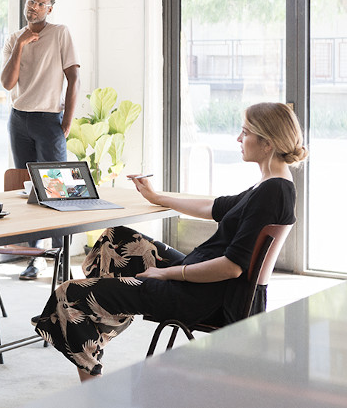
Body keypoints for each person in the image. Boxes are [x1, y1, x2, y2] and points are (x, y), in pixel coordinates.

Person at [33, 102, 307, 382]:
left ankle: (92, 379)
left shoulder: (272, 192)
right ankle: (99, 321)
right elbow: (213, 207)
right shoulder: (272, 185)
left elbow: (231, 267)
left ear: (267, 143)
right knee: (115, 238)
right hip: (207, 286)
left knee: (69, 294)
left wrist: (166, 274)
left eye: (245, 132)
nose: (238, 138)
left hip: (204, 297)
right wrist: (156, 197)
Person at [0, 0, 80, 280]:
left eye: (40, 3)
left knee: (57, 191)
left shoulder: (60, 33)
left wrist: (67, 121)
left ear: (50, 8)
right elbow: (8, 82)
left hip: (49, 120)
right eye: (30, 1)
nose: (33, 7)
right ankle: (36, 258)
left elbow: (74, 78)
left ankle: (62, 258)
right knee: (28, 189)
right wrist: (21, 44)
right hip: (18, 119)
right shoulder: (14, 39)